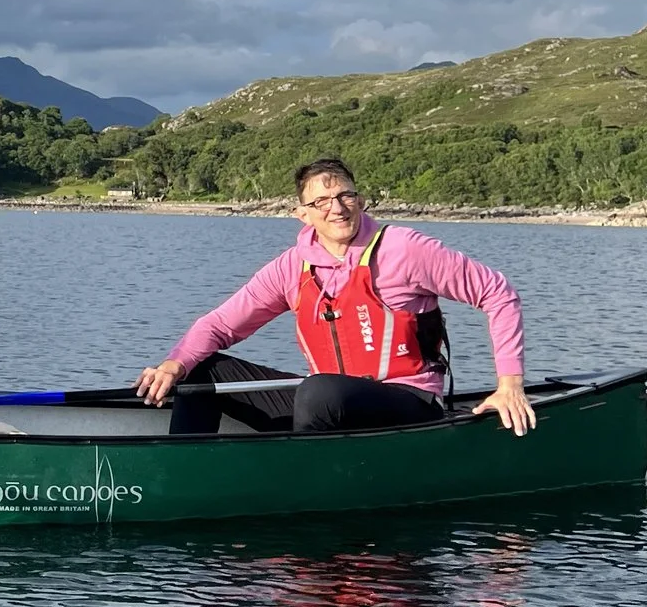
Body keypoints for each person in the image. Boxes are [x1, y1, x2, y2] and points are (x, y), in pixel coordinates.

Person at [134, 156, 537, 437]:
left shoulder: (402, 250)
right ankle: (187, 471)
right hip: (330, 404)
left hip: (407, 401)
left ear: (360, 201)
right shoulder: (293, 266)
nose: (337, 208)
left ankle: (304, 481)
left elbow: (497, 293)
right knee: (200, 372)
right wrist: (174, 365)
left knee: (319, 391)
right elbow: (221, 324)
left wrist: (509, 385)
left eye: (345, 196)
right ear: (303, 214)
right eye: (321, 202)